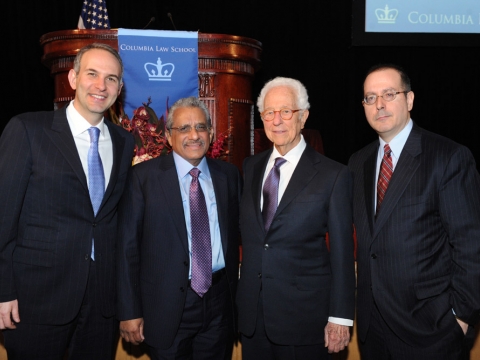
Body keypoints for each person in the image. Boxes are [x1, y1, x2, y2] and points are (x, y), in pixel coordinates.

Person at [0, 43, 135, 359]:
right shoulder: (28, 130)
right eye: (92, 74)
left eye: (111, 78)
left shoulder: (124, 141)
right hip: (35, 301)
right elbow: (3, 218)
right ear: (73, 78)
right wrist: (3, 290)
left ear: (120, 88)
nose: (101, 86)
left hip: (101, 304)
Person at [348, 64, 480, 359]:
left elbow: (471, 245)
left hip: (432, 330)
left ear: (409, 100)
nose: (379, 104)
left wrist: (461, 317)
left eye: (389, 94)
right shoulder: (358, 163)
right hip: (373, 331)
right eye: (370, 97)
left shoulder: (448, 157)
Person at [236, 77, 356, 359]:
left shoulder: (333, 175)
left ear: (303, 117)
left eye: (286, 111)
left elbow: (342, 252)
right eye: (269, 112)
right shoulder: (250, 167)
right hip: (253, 320)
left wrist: (340, 317)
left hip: (304, 322)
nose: (276, 120)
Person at [116, 96, 242, 359]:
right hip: (165, 306)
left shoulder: (229, 175)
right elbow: (127, 249)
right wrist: (129, 311)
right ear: (170, 137)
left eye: (201, 127)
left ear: (210, 132)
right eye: (184, 128)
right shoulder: (143, 178)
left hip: (219, 303)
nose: (194, 135)